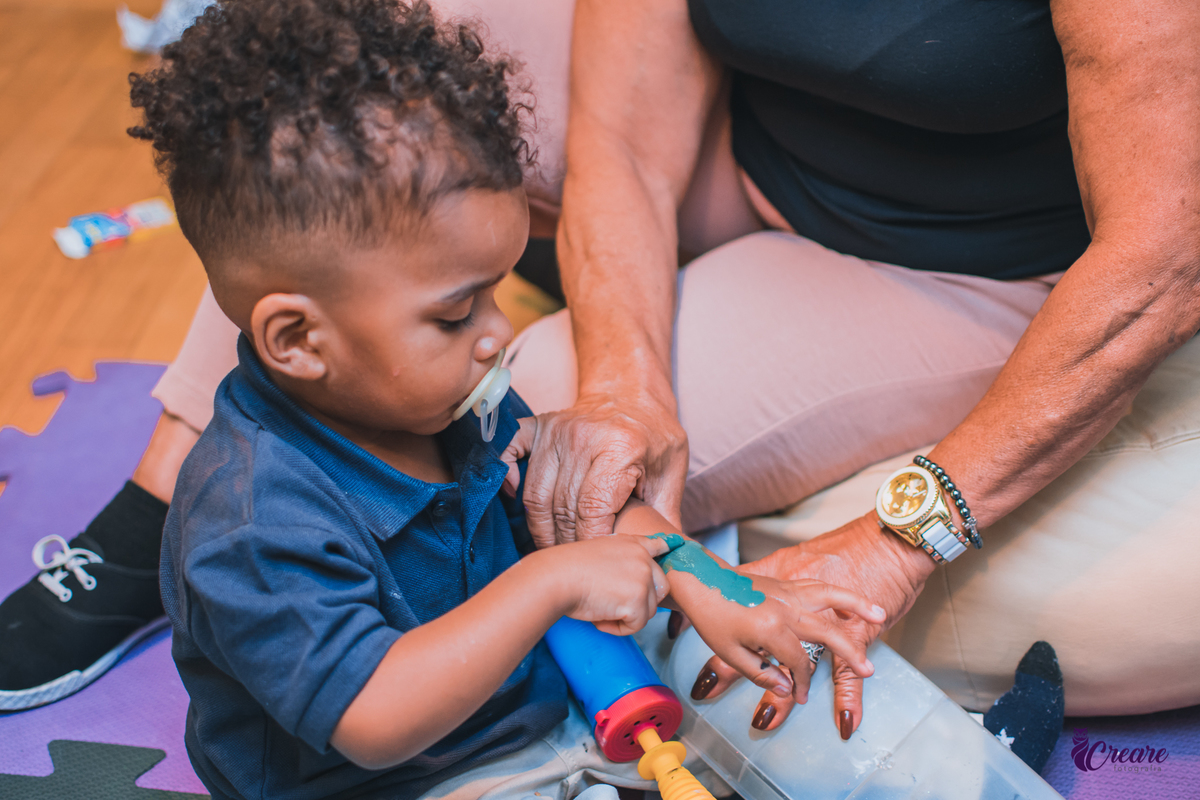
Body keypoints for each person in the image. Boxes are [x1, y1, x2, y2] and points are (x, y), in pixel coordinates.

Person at [3, 0, 1199, 747]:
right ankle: (160, 513)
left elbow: (1161, 249)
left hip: (966, 259)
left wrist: (896, 539)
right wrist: (630, 376)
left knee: (520, 412)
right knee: (331, 132)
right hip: (752, 150)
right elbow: (622, 135)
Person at [105, 2, 884, 797]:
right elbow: (374, 718)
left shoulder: (447, 402)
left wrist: (707, 584)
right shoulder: (249, 522)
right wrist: (551, 584)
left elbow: (580, 508)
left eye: (496, 291)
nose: (497, 330)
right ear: (300, 340)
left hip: (535, 717)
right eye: (454, 312)